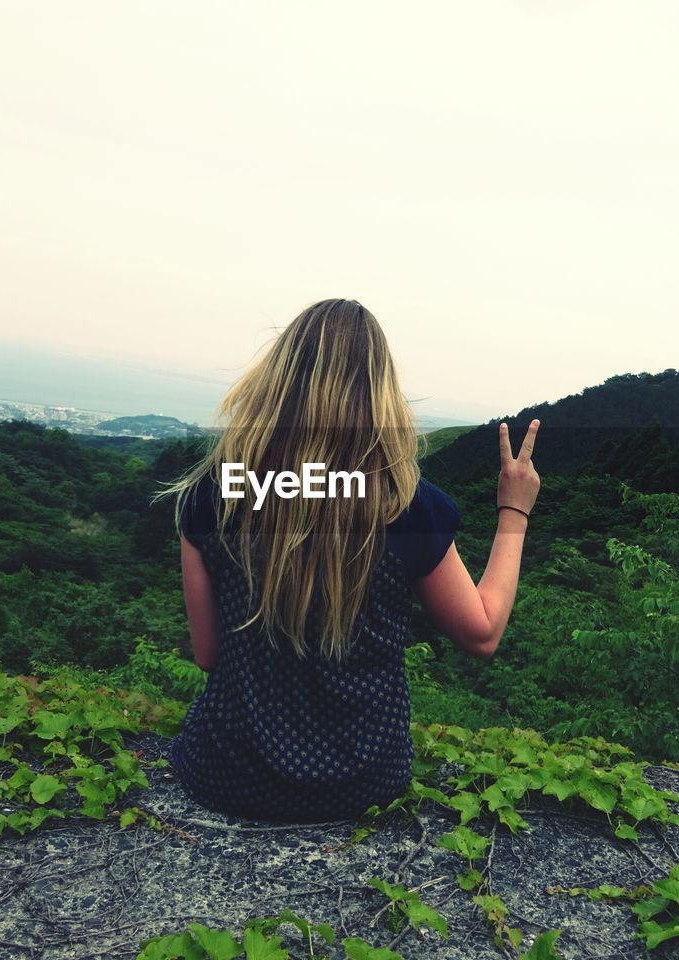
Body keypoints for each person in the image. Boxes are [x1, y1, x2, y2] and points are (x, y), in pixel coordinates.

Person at [154, 299, 540, 822]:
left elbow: (208, 655)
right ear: (379, 392)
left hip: (227, 777)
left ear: (278, 380)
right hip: (365, 785)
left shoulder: (214, 493)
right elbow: (482, 633)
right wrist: (513, 512)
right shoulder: (402, 503)